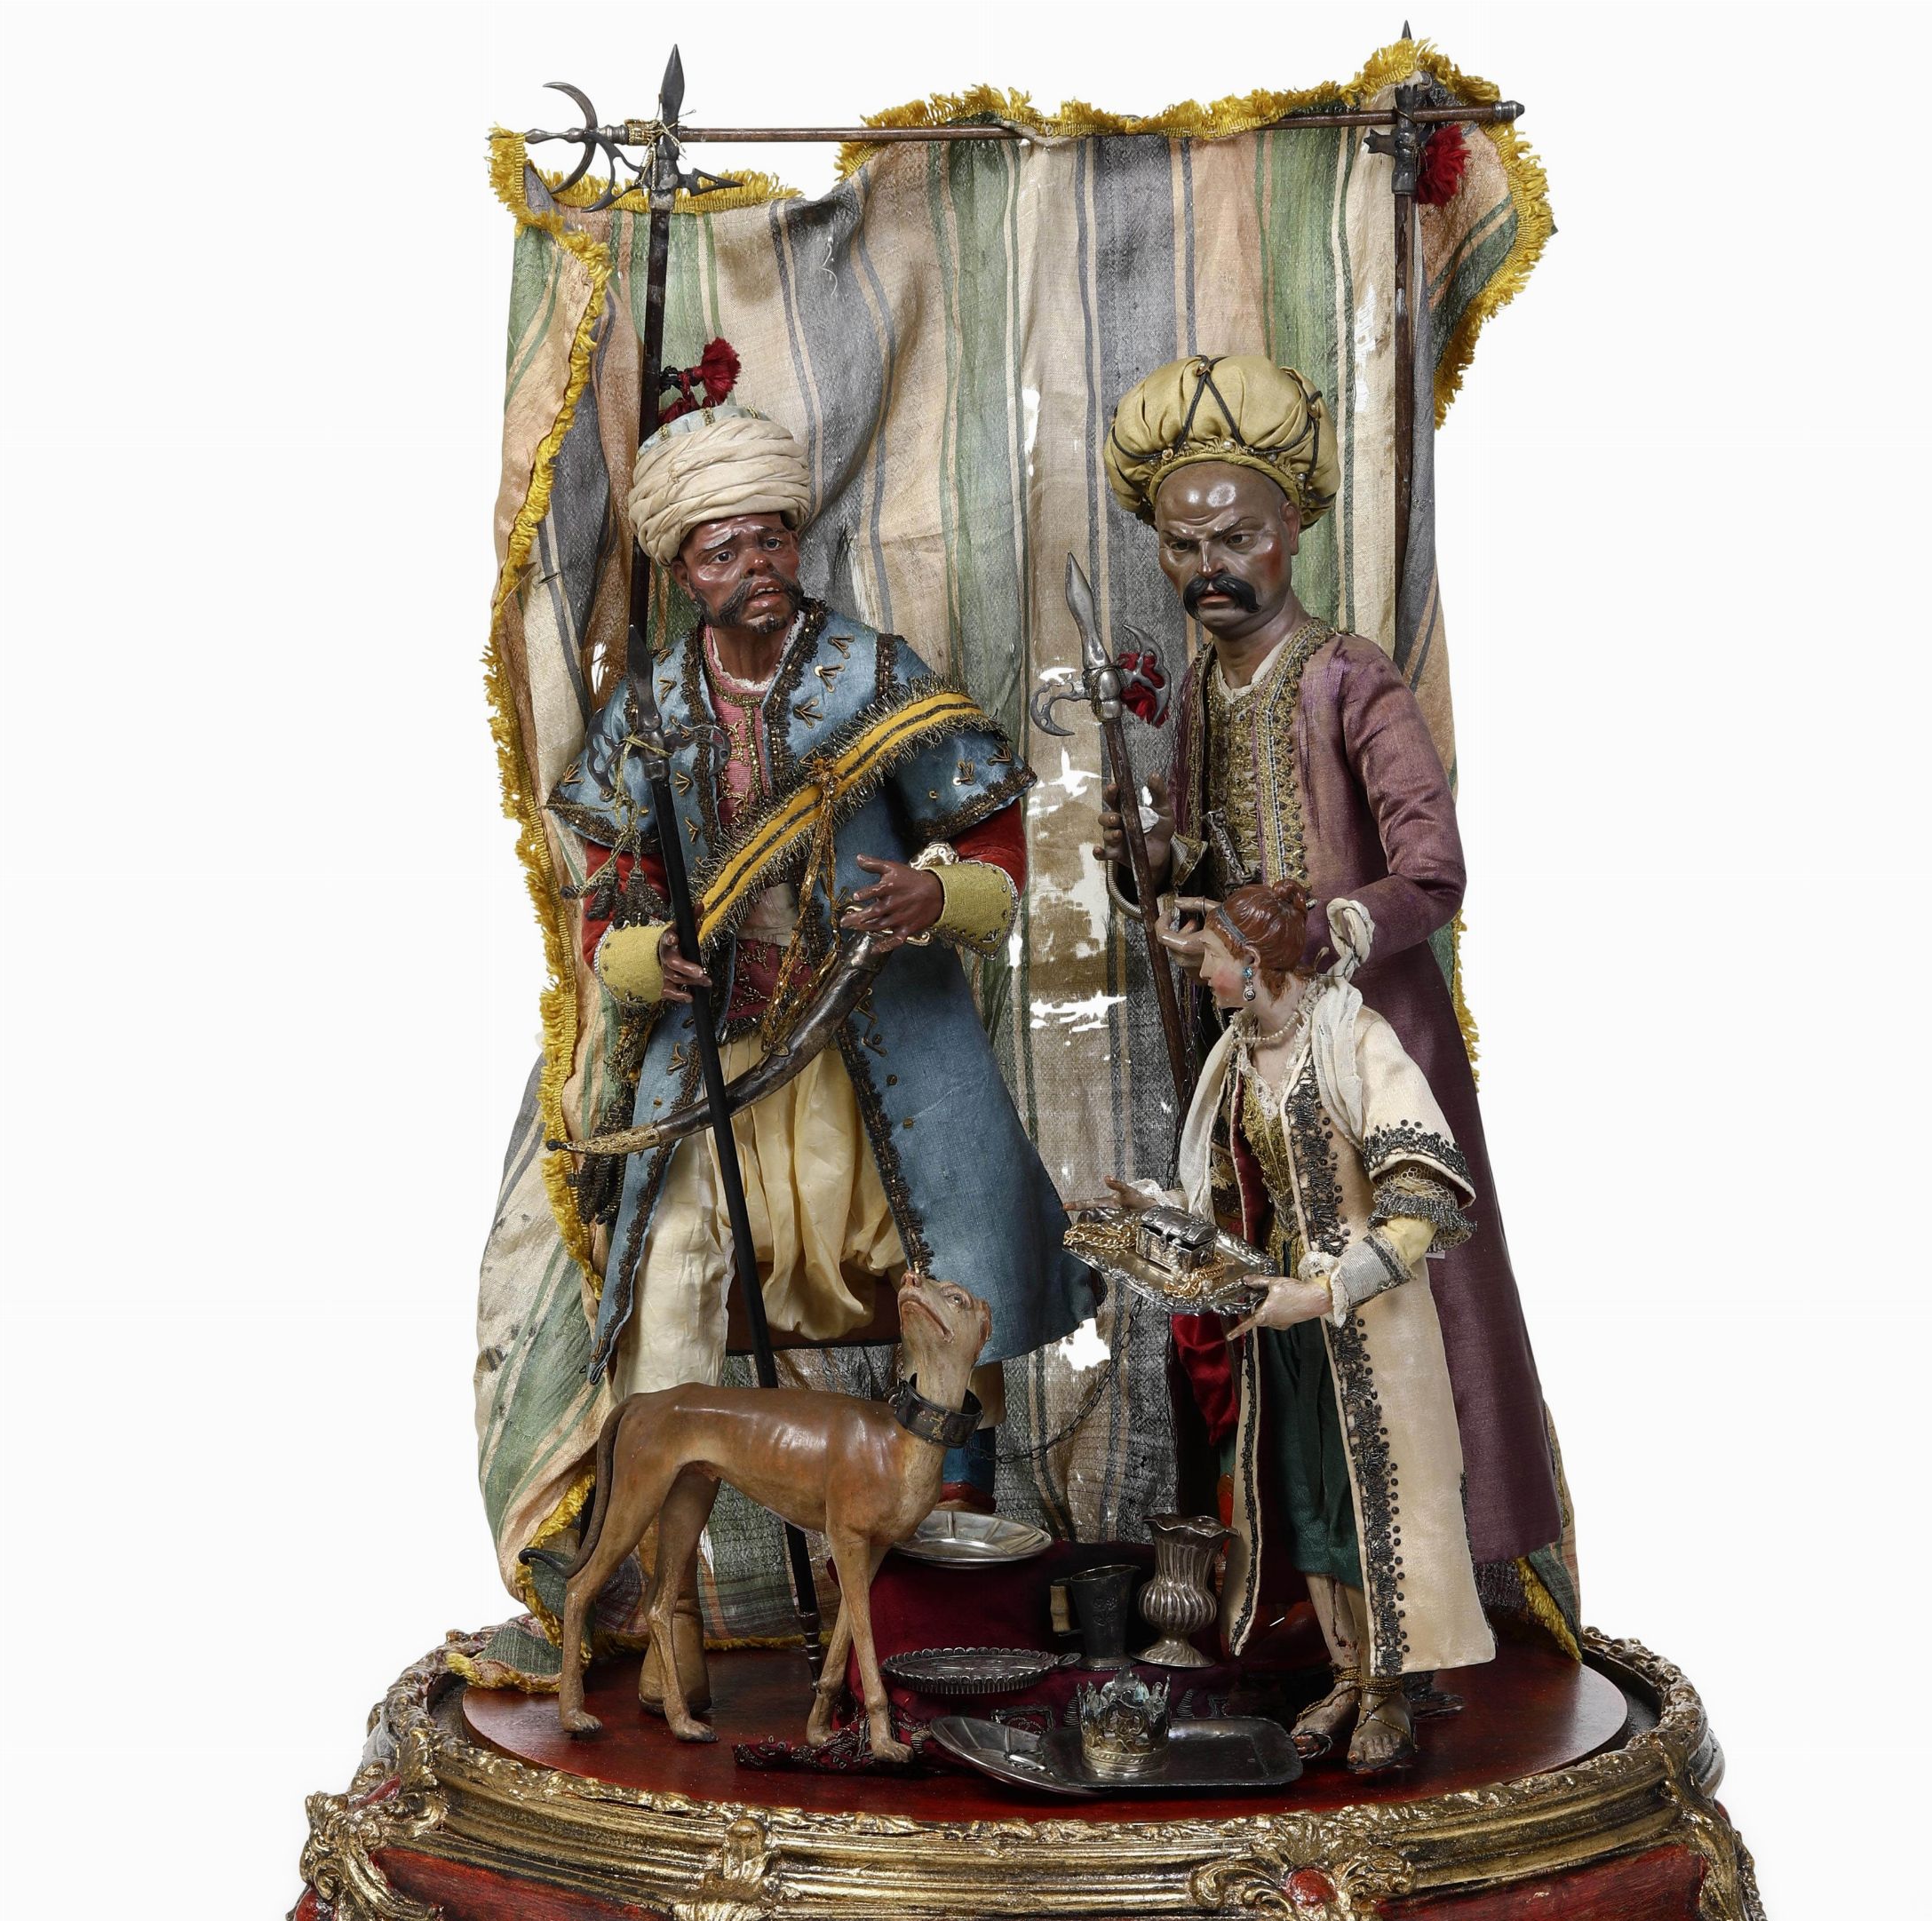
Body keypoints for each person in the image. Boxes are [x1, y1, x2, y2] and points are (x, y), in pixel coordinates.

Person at [548, 367, 1094, 1703]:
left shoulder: (872, 675)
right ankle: (667, 1617)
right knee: (670, 1280)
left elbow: (996, 839)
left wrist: (936, 895)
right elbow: (605, 892)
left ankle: (943, 1584)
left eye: (771, 539)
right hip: (715, 1066)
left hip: (880, 1045)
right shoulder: (651, 711)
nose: (756, 567)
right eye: (722, 549)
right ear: (681, 569)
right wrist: (644, 958)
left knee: (951, 1286)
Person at [1095, 353, 1562, 1582]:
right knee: (1273, 1306)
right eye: (1182, 546)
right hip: (1254, 1062)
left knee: (1399, 1297)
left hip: (1371, 1050)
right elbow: (1204, 871)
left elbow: (1432, 874)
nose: (1208, 567)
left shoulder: (1351, 676)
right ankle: (1309, 1588)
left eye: (1235, 538)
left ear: (1290, 529)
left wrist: (1314, 932)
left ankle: (1438, 1586)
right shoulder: (1199, 690)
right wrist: (1154, 865)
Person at [1116, 880, 1493, 1772]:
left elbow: (1421, 1200)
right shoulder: (1238, 1056)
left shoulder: (1355, 1038)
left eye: (1212, 960)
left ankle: (1390, 1689)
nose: (1201, 975)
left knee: (1377, 1500)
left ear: (1255, 964)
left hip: (1370, 1318)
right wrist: (1158, 1213)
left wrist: (1323, 1293)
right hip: (1278, 1313)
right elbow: (1223, 1193)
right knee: (1306, 1494)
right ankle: (1344, 1671)